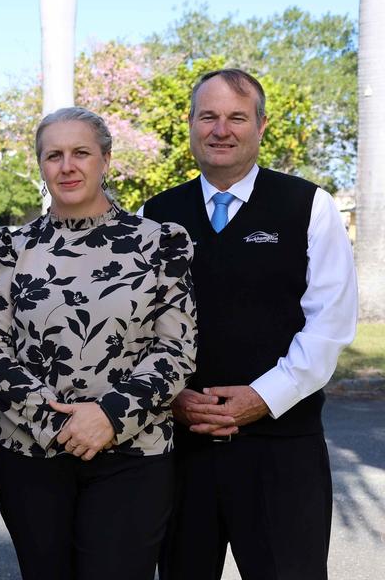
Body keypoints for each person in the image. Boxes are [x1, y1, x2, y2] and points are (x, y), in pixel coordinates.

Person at [144, 69, 358, 580]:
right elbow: (139, 325)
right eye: (208, 116)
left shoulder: (309, 206)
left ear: (261, 126)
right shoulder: (156, 214)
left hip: (282, 449)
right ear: (190, 124)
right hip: (180, 446)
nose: (222, 129)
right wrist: (169, 396)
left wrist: (260, 399)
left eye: (237, 117)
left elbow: (329, 326)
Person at [0, 107, 197, 580]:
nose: (67, 166)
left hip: (134, 454)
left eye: (81, 153)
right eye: (54, 155)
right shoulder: (11, 247)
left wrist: (109, 416)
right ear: (40, 164)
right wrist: (55, 423)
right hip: (32, 454)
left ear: (106, 159)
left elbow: (175, 349)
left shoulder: (160, 242)